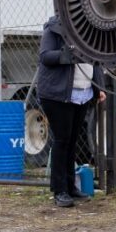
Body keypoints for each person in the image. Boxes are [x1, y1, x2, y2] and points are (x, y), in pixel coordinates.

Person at [35, 15, 106, 207]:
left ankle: (70, 186)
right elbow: (45, 56)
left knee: (72, 141)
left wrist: (99, 88)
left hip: (82, 93)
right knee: (62, 140)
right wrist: (67, 54)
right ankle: (60, 190)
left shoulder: (90, 31)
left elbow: (96, 61)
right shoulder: (54, 28)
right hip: (57, 94)